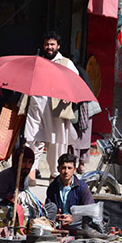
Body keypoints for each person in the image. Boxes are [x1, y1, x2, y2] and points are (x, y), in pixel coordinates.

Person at [24, 31, 80, 183]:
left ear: (58, 46)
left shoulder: (66, 63)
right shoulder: (38, 61)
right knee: (31, 139)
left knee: (56, 143)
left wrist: (69, 96)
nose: (49, 47)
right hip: (36, 106)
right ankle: (30, 174)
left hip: (56, 108)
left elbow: (75, 82)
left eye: (52, 44)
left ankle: (54, 176)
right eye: (47, 44)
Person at [0, 146, 44, 223]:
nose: (27, 166)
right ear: (16, 162)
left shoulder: (24, 176)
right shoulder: (5, 176)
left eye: (30, 162)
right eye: (24, 161)